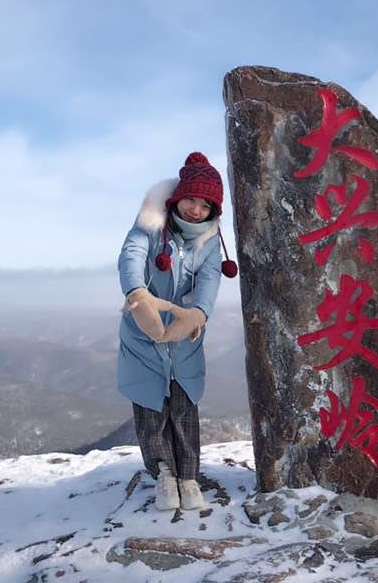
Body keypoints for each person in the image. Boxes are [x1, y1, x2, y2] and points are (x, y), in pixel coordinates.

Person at [116, 152, 237, 511]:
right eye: (190, 200)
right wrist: (137, 294)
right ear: (176, 199)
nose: (196, 210)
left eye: (205, 204)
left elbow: (210, 279)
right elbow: (131, 255)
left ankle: (188, 476)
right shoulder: (150, 226)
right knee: (151, 411)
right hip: (143, 335)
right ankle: (164, 475)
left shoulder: (210, 242)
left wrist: (199, 314)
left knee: (183, 407)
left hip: (185, 339)